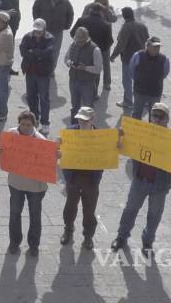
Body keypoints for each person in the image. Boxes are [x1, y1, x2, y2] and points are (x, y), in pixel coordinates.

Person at [111, 103, 171, 256]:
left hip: (160, 186)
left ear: (167, 119)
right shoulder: (141, 132)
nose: (156, 119)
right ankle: (121, 237)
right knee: (130, 209)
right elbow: (123, 148)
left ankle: (148, 242)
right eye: (154, 115)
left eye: (160, 117)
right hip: (140, 180)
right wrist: (121, 138)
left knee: (154, 215)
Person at [0, 110, 51, 256]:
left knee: (35, 215)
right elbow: (2, 151)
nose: (25, 127)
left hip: (36, 187)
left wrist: (55, 155)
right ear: (19, 123)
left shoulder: (41, 141)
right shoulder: (11, 135)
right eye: (23, 124)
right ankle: (14, 242)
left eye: (28, 125)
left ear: (34, 125)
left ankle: (34, 245)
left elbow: (48, 163)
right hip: (16, 183)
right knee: (14, 213)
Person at [59, 106, 104, 250]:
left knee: (89, 210)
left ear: (92, 120)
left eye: (85, 120)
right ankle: (68, 229)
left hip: (91, 180)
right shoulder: (70, 133)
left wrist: (117, 141)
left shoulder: (102, 137)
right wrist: (58, 146)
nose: (82, 123)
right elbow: (61, 153)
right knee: (70, 206)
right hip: (74, 177)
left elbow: (109, 154)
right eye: (80, 120)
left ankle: (88, 236)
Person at [32, 0, 75, 86]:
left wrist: (67, 25)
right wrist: (37, 22)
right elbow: (35, 9)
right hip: (43, 30)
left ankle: (51, 70)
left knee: (55, 51)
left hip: (57, 30)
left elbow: (70, 13)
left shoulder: (65, 2)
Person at [19, 19, 55, 133]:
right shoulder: (27, 37)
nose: (37, 33)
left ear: (44, 29)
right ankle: (35, 119)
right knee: (31, 97)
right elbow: (23, 51)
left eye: (39, 31)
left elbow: (47, 53)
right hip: (30, 72)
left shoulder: (50, 38)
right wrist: (38, 55)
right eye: (36, 30)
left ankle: (45, 123)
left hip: (43, 73)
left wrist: (32, 52)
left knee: (44, 98)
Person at [110, 7, 148, 111]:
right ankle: (143, 100)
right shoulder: (142, 26)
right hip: (141, 57)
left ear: (123, 16)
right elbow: (146, 39)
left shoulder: (125, 28)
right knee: (140, 79)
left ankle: (128, 101)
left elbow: (121, 45)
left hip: (128, 58)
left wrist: (113, 55)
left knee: (127, 80)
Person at [64, 27, 102, 123]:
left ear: (86, 38)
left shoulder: (95, 49)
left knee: (88, 108)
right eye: (77, 39)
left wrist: (85, 68)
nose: (78, 43)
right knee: (74, 106)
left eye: (80, 41)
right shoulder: (73, 44)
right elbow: (66, 58)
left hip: (87, 83)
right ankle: (74, 126)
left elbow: (98, 69)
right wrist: (69, 62)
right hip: (73, 80)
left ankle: (89, 127)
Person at [130, 36, 171, 121]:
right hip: (139, 91)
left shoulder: (164, 59)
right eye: (154, 46)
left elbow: (165, 73)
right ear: (148, 46)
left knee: (154, 117)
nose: (157, 49)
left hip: (155, 93)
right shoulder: (138, 56)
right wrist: (138, 81)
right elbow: (131, 71)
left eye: (158, 46)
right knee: (136, 114)